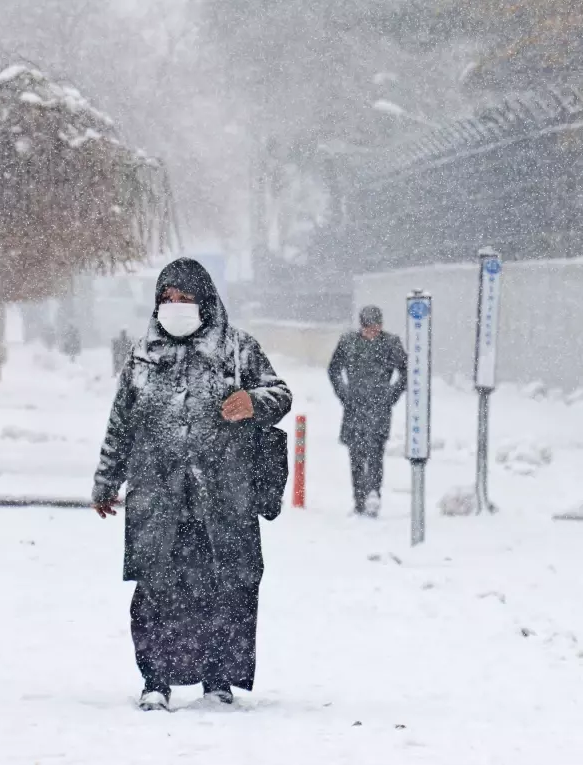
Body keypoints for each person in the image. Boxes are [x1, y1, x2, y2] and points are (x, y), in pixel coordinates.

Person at [91, 258, 292, 712]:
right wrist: (106, 480)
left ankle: (217, 678)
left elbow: (280, 394)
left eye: (185, 298)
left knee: (226, 591)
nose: (175, 306)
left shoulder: (239, 350)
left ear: (206, 302)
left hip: (223, 499)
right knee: (156, 595)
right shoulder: (143, 357)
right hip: (158, 501)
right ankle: (155, 681)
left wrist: (252, 402)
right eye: (167, 299)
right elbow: (120, 425)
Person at [328, 305, 408, 517]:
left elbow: (406, 371)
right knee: (355, 454)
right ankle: (359, 500)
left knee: (375, 451)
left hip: (379, 407)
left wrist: (391, 396)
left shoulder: (391, 344)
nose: (374, 331)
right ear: (362, 326)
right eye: (370, 327)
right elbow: (334, 369)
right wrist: (344, 394)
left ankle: (373, 493)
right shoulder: (348, 342)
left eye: (377, 327)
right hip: (354, 407)